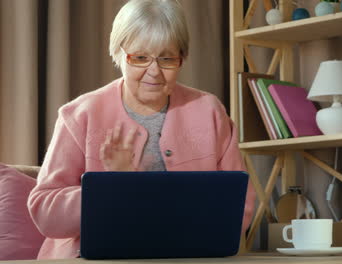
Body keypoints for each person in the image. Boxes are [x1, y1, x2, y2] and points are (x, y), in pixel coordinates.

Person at [27, 0, 255, 259]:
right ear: (118, 54)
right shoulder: (79, 115)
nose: (154, 71)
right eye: (140, 58)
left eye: (167, 59)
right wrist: (111, 188)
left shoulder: (210, 111)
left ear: (182, 59)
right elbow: (44, 211)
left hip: (190, 256)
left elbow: (240, 203)